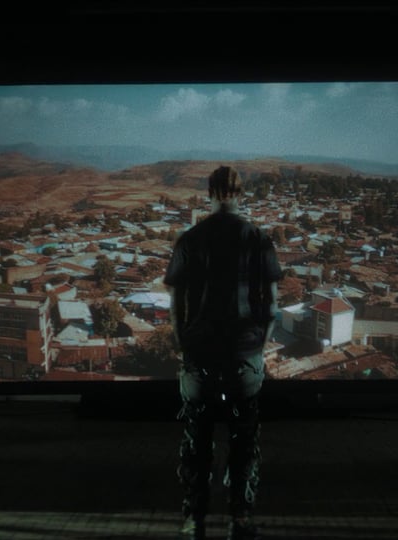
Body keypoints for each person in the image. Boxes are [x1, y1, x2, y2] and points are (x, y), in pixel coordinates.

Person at [164, 166, 282, 540]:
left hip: (200, 355)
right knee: (243, 440)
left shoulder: (190, 239)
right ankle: (240, 519)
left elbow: (176, 304)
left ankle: (194, 520)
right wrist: (259, 346)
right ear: (240, 194)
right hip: (243, 356)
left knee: (197, 440)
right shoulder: (258, 239)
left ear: (210, 193)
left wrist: (183, 343)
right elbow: (272, 305)